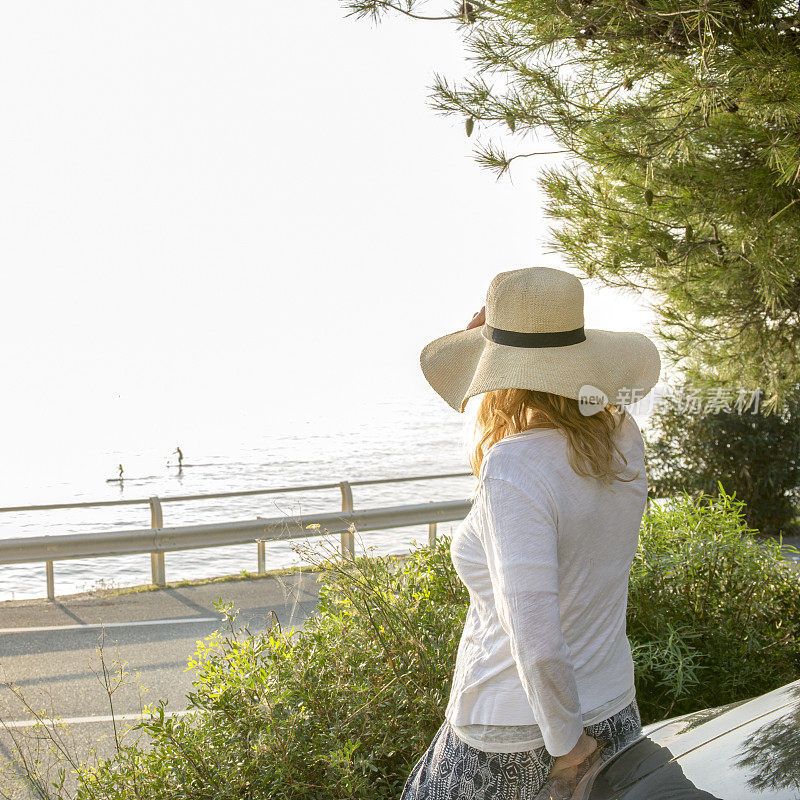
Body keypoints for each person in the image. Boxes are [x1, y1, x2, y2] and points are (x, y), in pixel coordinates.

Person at [402, 267, 661, 800]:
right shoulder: (621, 439)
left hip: (524, 735)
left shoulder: (514, 466)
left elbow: (537, 641)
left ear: (498, 370)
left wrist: (569, 747)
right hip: (613, 708)